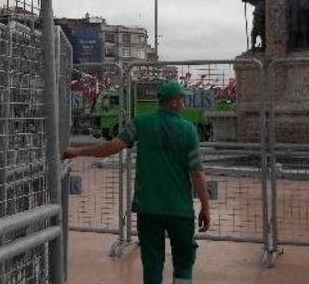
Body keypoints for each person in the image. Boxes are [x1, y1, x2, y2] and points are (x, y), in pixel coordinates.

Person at [63, 80, 210, 284]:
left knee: (152, 263)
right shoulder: (189, 130)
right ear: (174, 103)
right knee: (184, 263)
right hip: (180, 210)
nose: (185, 103)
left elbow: (112, 147)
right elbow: (196, 172)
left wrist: (77, 152)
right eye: (182, 99)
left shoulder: (140, 123)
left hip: (147, 208)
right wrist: (205, 206)